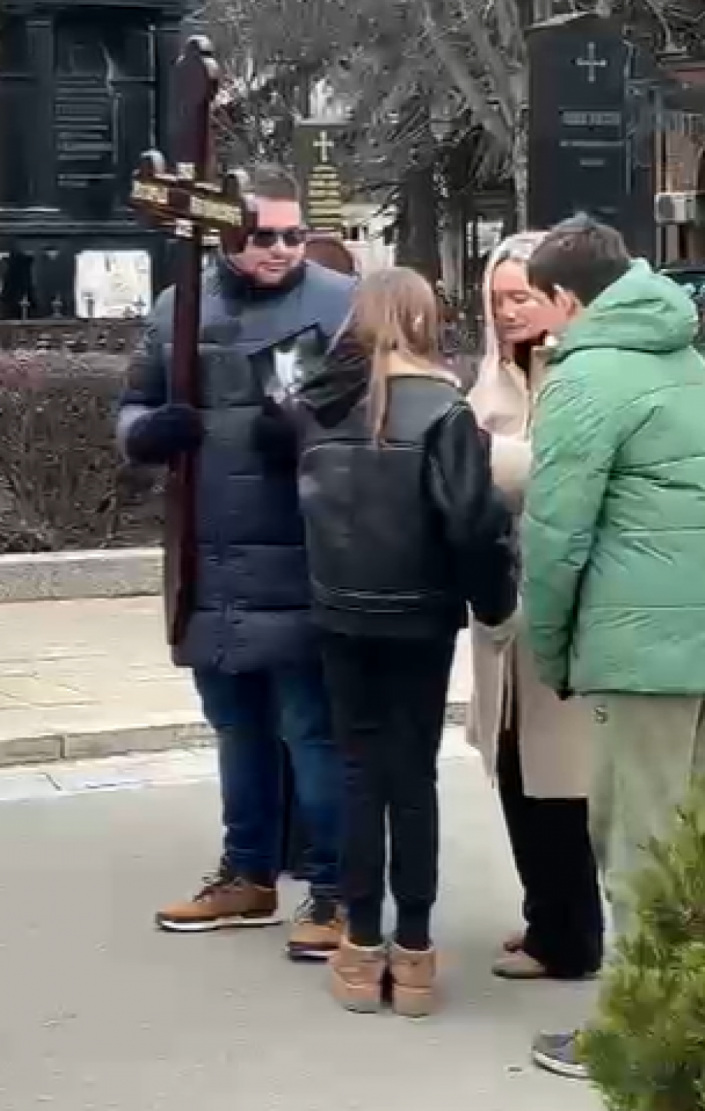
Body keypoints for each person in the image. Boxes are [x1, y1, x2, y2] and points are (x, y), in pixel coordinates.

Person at [118, 165, 355, 961]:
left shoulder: (338, 301)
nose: (282, 249)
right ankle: (248, 873)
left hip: (303, 555)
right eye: (263, 236)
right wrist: (146, 434)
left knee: (312, 732)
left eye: (294, 234)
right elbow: (134, 402)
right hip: (209, 561)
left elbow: (375, 410)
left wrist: (310, 430)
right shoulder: (178, 306)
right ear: (226, 235)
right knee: (236, 729)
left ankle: (337, 892)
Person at [295, 267, 517, 1015]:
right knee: (413, 779)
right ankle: (414, 954)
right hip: (421, 616)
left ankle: (361, 946)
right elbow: (474, 525)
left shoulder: (321, 406)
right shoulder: (446, 411)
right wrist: (494, 605)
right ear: (425, 320)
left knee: (359, 775)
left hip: (340, 614)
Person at [520, 216, 705, 1078]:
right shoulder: (687, 355)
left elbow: (556, 536)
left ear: (566, 297)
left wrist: (551, 649)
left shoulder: (587, 377)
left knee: (639, 846)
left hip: (643, 653)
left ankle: (640, 1041)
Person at [468, 233, 603, 983]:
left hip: (565, 606)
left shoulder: (582, 375)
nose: (509, 312)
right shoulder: (492, 378)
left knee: (562, 782)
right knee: (516, 769)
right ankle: (544, 918)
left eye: (521, 296)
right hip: (501, 611)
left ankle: (573, 937)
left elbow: (563, 473)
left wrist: (482, 460)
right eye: (498, 300)